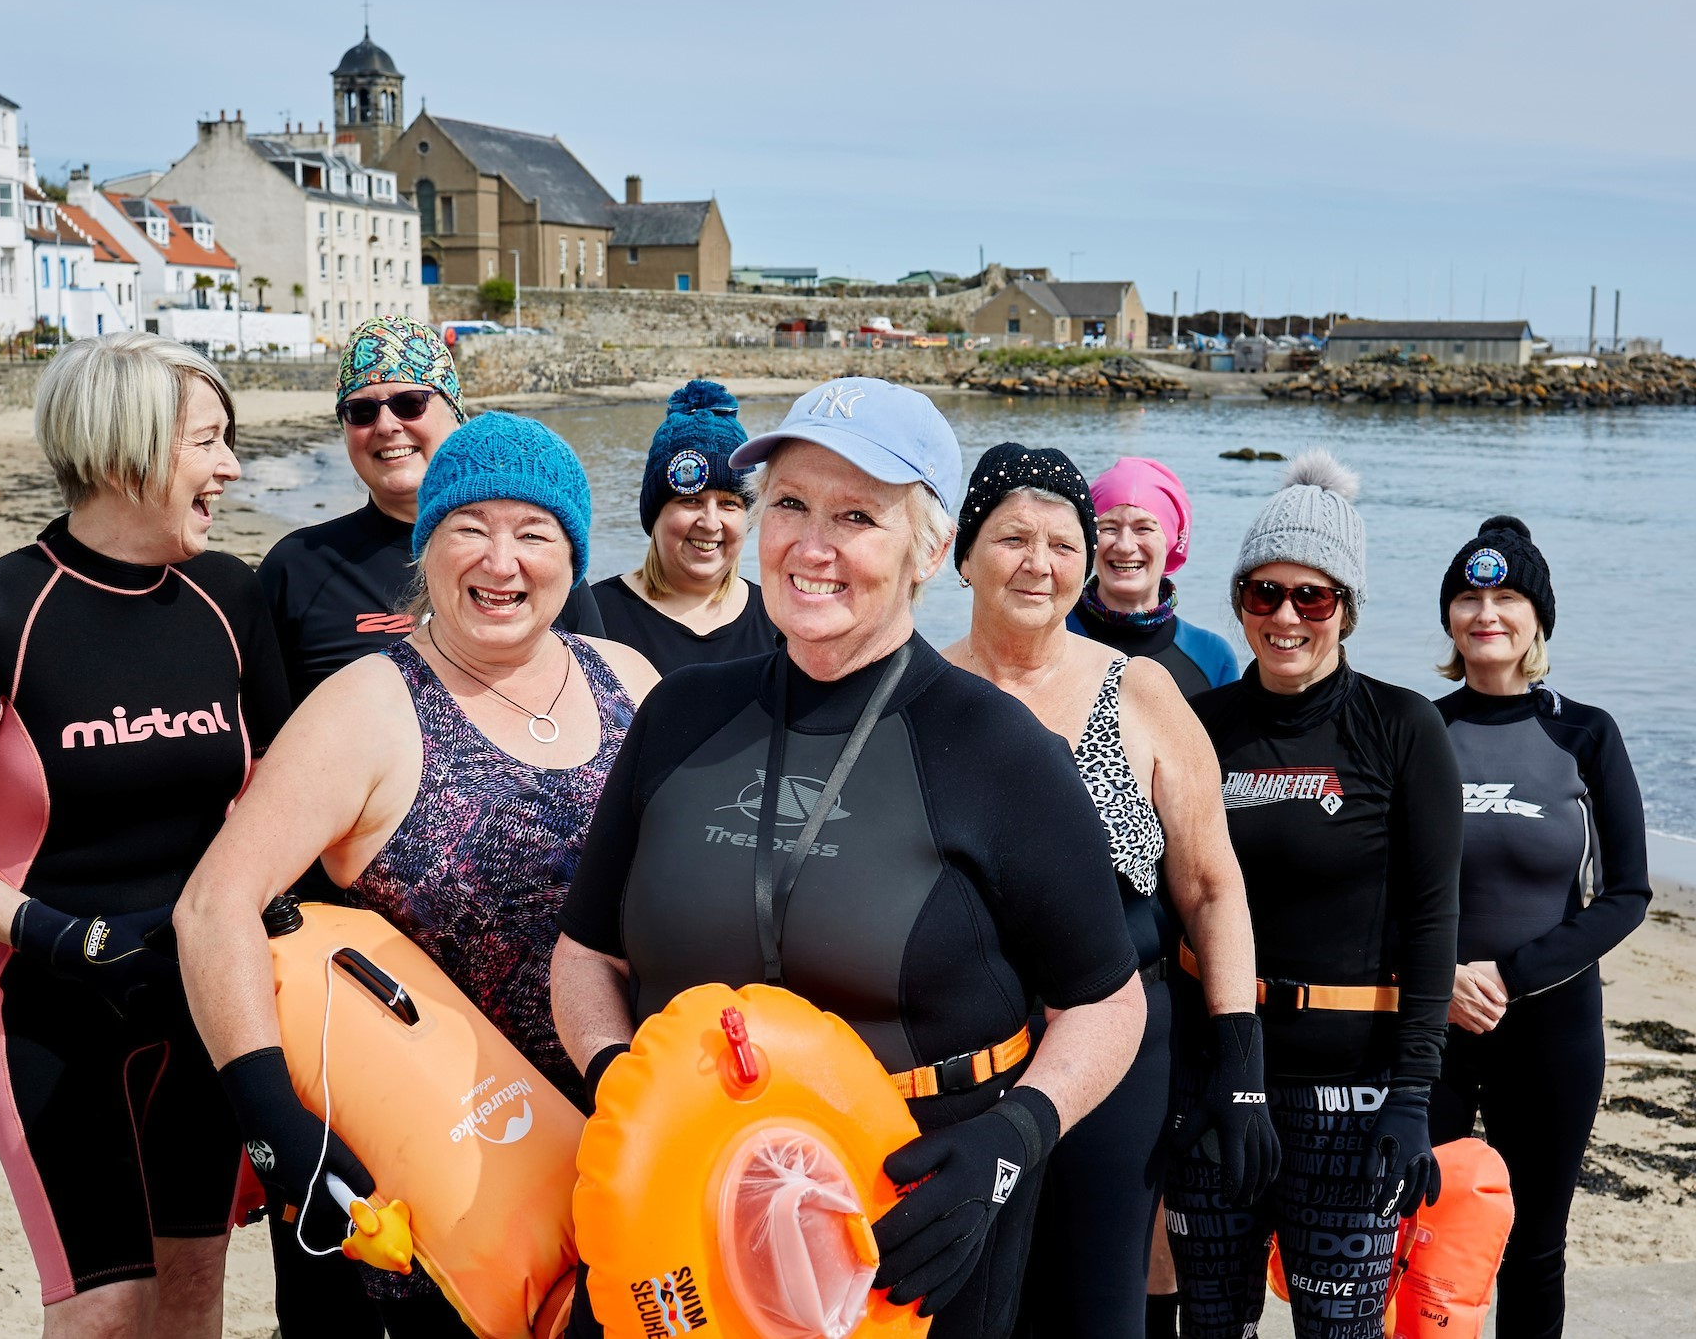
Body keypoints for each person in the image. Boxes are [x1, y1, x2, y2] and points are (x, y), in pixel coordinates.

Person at [553, 378, 1147, 1339]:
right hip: (681, 1203)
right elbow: (587, 956)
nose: (811, 545)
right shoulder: (680, 717)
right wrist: (621, 1082)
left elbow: (1106, 1001)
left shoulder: (1001, 753)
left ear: (927, 551)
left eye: (857, 516)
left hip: (910, 1228)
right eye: (788, 503)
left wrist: (1011, 1141)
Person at [176, 410, 658, 1334]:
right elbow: (214, 908)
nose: (500, 560)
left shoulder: (631, 680)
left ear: (575, 553)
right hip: (443, 1180)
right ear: (427, 545)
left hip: (624, 1153)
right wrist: (274, 1119)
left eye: (534, 532)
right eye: (469, 528)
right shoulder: (367, 706)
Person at [0, 333, 286, 1338]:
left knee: (191, 1292)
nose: (231, 469)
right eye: (208, 443)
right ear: (126, 448)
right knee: (104, 1306)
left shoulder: (230, 598)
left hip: (202, 995)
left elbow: (276, 789)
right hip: (47, 1001)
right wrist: (63, 938)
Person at [940, 443, 1274, 1339]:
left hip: (1124, 1055)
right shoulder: (914, 693)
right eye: (1012, 538)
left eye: (1061, 542)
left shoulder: (1140, 691)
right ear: (961, 553)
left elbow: (1211, 884)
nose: (1038, 564)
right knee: (966, 1307)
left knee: (1099, 1308)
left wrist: (1241, 1062)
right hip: (961, 1061)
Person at [1167, 450, 1461, 1339]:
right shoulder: (1198, 727)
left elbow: (1434, 920)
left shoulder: (1404, 728)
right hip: (1217, 1076)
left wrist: (1413, 1098)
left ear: (1349, 607)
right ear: (1238, 602)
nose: (1285, 617)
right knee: (1214, 1324)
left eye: (1313, 596)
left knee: (1341, 1330)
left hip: (1354, 1092)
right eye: (1263, 594)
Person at [1430, 516, 1649, 1339]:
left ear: (1538, 618)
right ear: (1449, 618)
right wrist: (1446, 975)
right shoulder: (1418, 728)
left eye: (1507, 595)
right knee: (1419, 1233)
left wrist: (1510, 977)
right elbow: (1383, 885)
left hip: (1549, 1026)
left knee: (1533, 1246)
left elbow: (1626, 894)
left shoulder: (1583, 733)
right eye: (1469, 596)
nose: (1487, 612)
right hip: (1432, 1020)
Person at [260, 316, 602, 708]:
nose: (387, 425)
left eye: (409, 404)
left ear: (456, 413)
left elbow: (598, 703)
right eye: (361, 412)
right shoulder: (297, 567)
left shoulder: (537, 563)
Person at [590, 379, 777, 672]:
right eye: (690, 501)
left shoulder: (779, 620)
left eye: (730, 504)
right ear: (656, 514)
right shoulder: (593, 617)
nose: (711, 522)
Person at [1068, 457, 1238, 697]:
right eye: (1109, 527)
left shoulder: (1212, 656)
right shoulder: (1048, 637)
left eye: (1143, 528)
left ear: (1172, 540)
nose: (1125, 546)